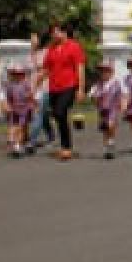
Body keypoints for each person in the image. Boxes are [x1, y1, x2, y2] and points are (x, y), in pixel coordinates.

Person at [35, 23, 86, 161]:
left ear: (64, 33)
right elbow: (46, 69)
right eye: (52, 33)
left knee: (59, 112)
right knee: (58, 116)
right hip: (54, 87)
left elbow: (80, 67)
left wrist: (81, 88)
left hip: (69, 85)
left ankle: (66, 147)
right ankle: (65, 145)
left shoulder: (74, 46)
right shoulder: (51, 49)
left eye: (57, 32)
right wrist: (36, 84)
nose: (54, 35)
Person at [24, 32, 54, 152]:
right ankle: (51, 137)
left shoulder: (46, 52)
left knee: (38, 114)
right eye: (31, 38)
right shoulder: (29, 55)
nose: (32, 40)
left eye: (34, 38)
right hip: (32, 88)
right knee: (44, 115)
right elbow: (27, 73)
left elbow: (46, 71)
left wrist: (36, 87)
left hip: (44, 88)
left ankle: (32, 142)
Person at [89, 61, 124, 160]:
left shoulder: (116, 83)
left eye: (106, 71)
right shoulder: (97, 85)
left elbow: (124, 94)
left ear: (111, 72)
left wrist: (123, 104)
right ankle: (107, 149)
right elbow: (92, 95)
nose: (104, 73)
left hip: (113, 108)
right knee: (105, 129)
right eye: (102, 71)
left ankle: (111, 142)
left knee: (111, 125)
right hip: (102, 110)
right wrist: (95, 98)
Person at [0, 64, 36, 158]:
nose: (18, 76)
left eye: (20, 74)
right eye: (15, 74)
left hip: (25, 109)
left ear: (23, 74)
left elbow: (31, 95)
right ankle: (17, 146)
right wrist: (7, 106)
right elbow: (8, 98)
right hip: (15, 110)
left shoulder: (26, 84)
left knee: (23, 127)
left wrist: (32, 103)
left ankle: (25, 143)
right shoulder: (10, 86)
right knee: (16, 127)